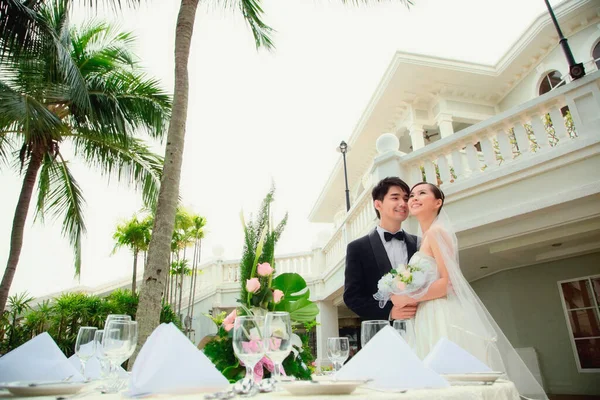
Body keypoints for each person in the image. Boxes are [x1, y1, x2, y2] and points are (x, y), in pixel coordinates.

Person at [391, 182, 547, 400]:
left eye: (422, 193)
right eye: (412, 195)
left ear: (438, 202)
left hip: (440, 313)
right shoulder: (426, 238)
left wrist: (408, 297)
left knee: (448, 378)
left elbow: (449, 283)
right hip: (426, 314)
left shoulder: (437, 232)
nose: (414, 198)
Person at [343, 177, 420, 321]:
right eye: (395, 198)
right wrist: (390, 313)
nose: (403, 203)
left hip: (422, 324)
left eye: (405, 198)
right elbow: (352, 297)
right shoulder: (357, 248)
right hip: (383, 332)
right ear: (378, 204)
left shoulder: (419, 243)